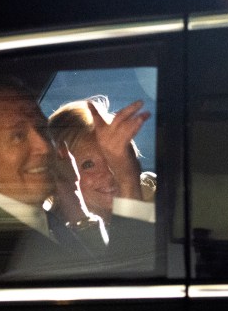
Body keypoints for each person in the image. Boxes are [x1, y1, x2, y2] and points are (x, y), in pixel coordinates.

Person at [0, 78, 155, 281]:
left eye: (41, 129)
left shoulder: (37, 222)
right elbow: (122, 295)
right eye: (18, 135)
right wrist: (128, 181)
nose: (45, 147)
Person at [47, 95, 156, 228]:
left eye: (113, 158)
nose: (109, 173)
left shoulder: (156, 195)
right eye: (88, 164)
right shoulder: (51, 230)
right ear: (59, 172)